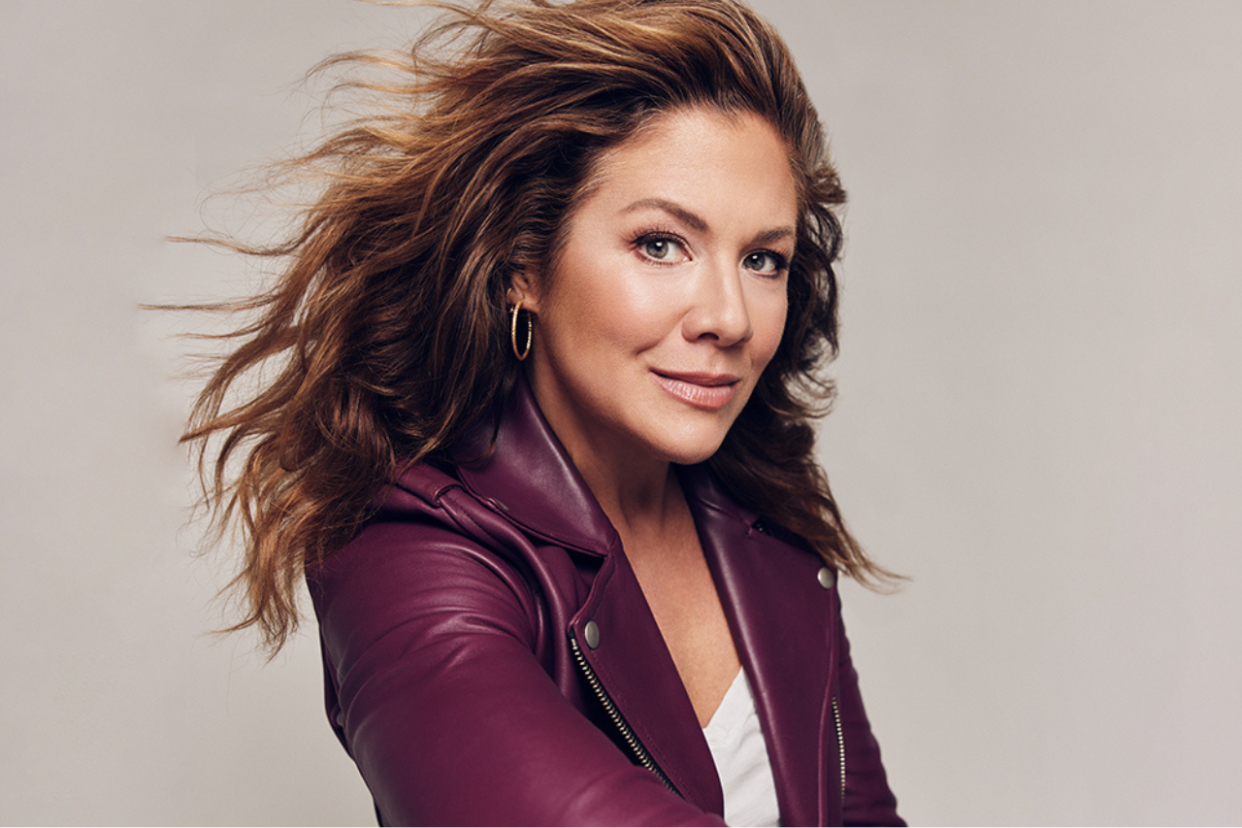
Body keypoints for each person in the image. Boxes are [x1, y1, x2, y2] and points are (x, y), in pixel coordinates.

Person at [184, 0, 903, 824]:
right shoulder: (406, 545)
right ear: (524, 264)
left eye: (763, 259)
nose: (729, 317)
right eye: (660, 244)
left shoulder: (768, 530)